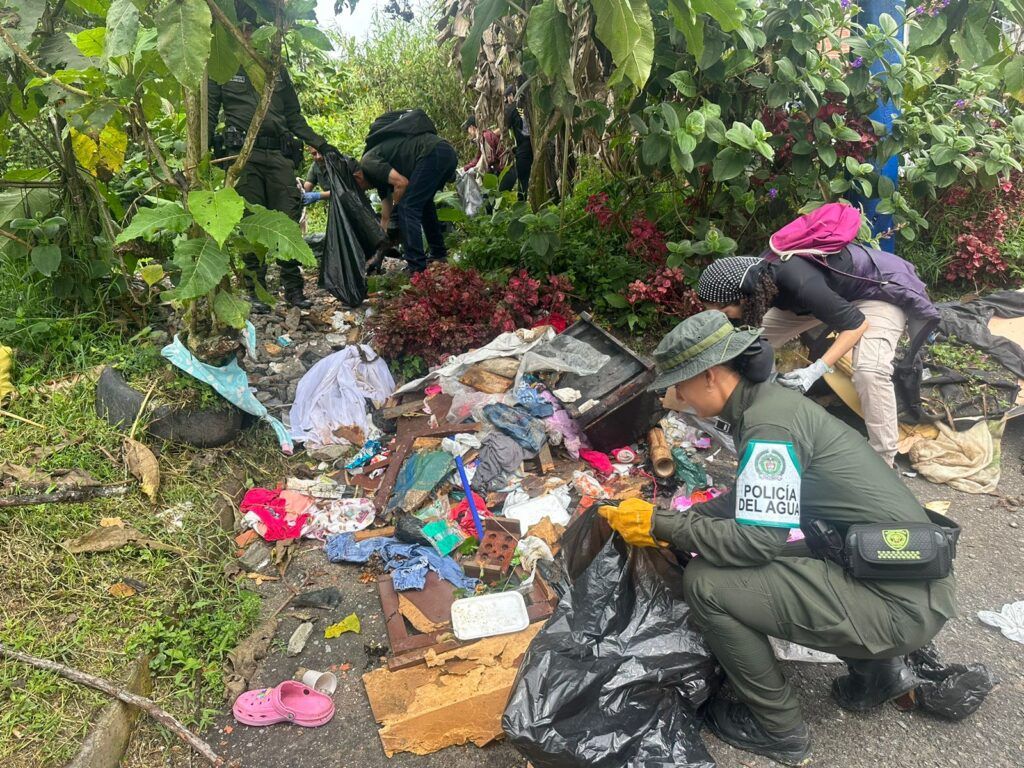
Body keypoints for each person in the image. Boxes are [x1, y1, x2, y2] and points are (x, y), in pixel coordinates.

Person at [599, 310, 957, 767]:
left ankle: (780, 729)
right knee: (748, 558)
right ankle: (878, 673)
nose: (678, 398)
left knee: (708, 585)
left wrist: (658, 526)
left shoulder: (769, 427)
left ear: (710, 376)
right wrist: (667, 518)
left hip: (899, 604)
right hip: (897, 574)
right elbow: (748, 501)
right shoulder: (770, 404)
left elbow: (755, 543)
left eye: (681, 385)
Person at [696, 226, 939, 466]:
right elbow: (751, 338)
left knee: (869, 371)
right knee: (744, 342)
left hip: (877, 292)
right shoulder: (758, 281)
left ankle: (883, 459)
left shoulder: (796, 281)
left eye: (726, 311)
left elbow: (856, 325)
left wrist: (816, 370)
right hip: (824, 296)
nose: (728, 317)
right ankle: (746, 414)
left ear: (743, 297)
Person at [208, 63, 338, 310]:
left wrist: (321, 145)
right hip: (243, 155)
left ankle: (293, 289)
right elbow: (209, 112)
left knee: (287, 221)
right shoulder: (222, 63)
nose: (248, 30)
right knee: (251, 221)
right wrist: (202, 156)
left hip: (279, 154)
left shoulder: (276, 68)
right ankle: (256, 291)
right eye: (243, 25)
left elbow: (294, 117)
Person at [353, 109, 457, 273]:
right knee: (424, 206)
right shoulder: (380, 181)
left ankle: (416, 267)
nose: (364, 190)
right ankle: (438, 254)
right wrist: (378, 255)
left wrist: (398, 207)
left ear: (358, 176)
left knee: (408, 208)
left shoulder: (368, 162)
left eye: (359, 188)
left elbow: (402, 183)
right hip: (444, 153)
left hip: (433, 153)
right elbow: (385, 220)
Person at [461, 115, 511, 190]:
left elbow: (490, 160)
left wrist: (476, 169)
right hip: (501, 171)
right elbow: (478, 158)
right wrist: (465, 169)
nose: (469, 133)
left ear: (472, 127)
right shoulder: (482, 138)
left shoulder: (486, 137)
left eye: (468, 129)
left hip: (505, 171)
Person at [503, 85, 533, 199]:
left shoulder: (511, 108)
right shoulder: (527, 104)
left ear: (511, 96)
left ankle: (522, 203)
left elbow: (503, 128)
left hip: (524, 147)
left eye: (507, 97)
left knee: (523, 178)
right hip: (533, 144)